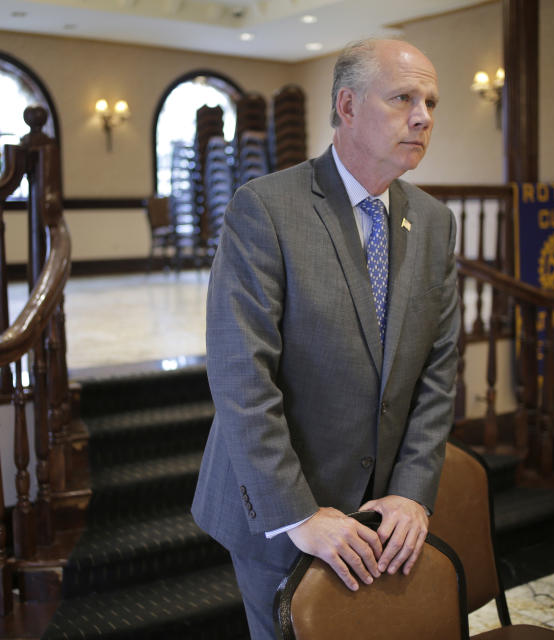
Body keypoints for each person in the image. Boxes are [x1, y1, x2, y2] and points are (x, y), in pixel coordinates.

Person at [191, 38, 459, 639]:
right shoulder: (266, 208)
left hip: (383, 515)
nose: (423, 116)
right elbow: (241, 378)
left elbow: (438, 375)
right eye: (403, 98)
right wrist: (299, 514)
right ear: (347, 105)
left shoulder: (435, 222)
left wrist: (413, 495)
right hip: (285, 512)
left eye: (431, 102)